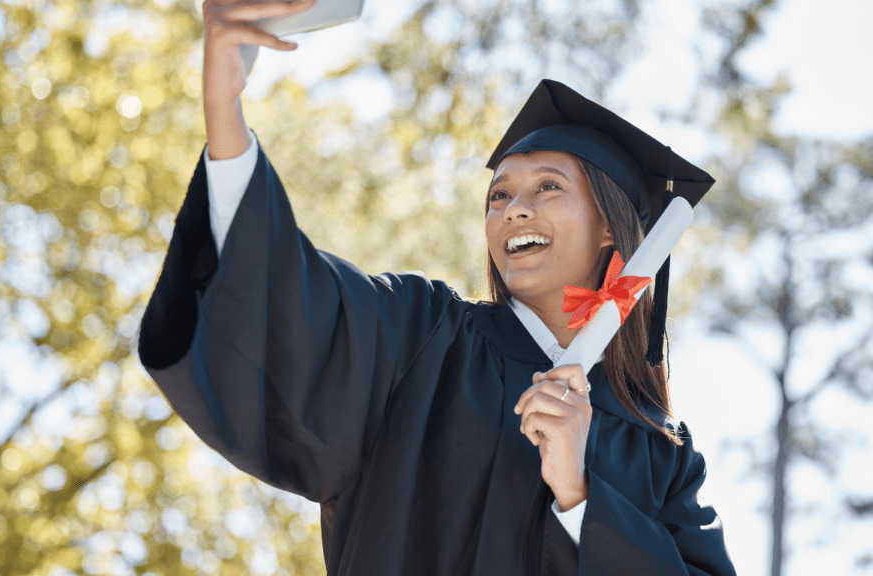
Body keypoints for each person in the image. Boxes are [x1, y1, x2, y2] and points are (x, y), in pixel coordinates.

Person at [139, 0, 737, 574]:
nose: (514, 211)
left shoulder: (659, 453)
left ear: (609, 226)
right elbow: (292, 301)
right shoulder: (424, 338)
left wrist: (580, 497)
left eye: (547, 188)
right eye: (499, 195)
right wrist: (226, 111)